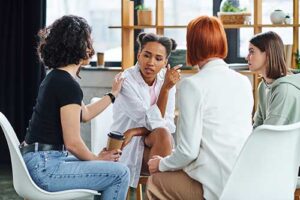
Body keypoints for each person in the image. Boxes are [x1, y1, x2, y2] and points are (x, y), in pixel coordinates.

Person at [20, 15, 130, 200]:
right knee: (120, 174)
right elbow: (73, 142)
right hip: (46, 167)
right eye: (88, 42)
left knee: (109, 170)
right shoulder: (66, 84)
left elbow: (85, 114)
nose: (91, 49)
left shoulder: (55, 77)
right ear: (77, 46)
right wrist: (96, 160)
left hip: (38, 161)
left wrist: (113, 94)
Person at [147, 15, 254, 200]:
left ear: (193, 44)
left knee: (155, 182)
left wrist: (162, 164)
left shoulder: (193, 86)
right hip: (244, 181)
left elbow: (188, 152)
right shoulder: (243, 82)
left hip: (215, 185)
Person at [110, 32, 181, 188]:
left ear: (165, 62)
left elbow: (168, 123)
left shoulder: (167, 80)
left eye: (158, 58)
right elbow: (152, 122)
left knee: (164, 135)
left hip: (153, 144)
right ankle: (161, 193)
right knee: (163, 136)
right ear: (138, 55)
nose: (151, 62)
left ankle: (159, 193)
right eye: (147, 55)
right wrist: (165, 90)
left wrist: (135, 131)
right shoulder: (125, 80)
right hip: (127, 148)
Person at [246, 31, 300, 129]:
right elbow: (258, 125)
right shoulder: (263, 86)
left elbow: (269, 133)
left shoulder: (284, 89)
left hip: (280, 143)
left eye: (252, 51)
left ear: (268, 54)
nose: (247, 57)